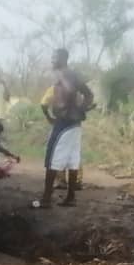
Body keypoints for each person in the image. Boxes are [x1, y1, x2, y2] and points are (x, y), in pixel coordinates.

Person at [34, 48, 93, 208]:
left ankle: (46, 199)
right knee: (73, 161)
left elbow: (71, 90)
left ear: (63, 58)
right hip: (75, 124)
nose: (52, 60)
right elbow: (89, 94)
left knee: (52, 160)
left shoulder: (63, 74)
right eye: (52, 57)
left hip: (64, 123)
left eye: (55, 57)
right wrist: (80, 109)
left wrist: (75, 108)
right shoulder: (74, 74)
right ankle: (71, 197)